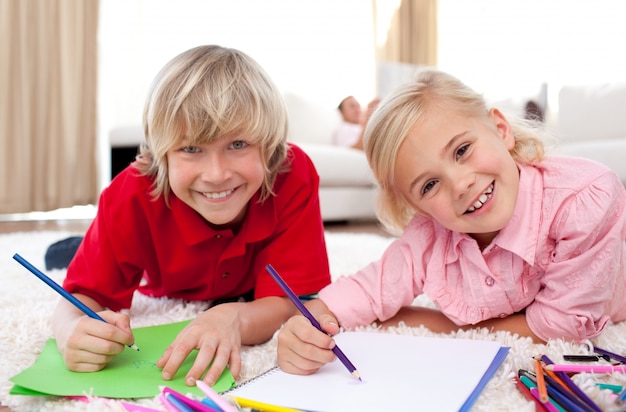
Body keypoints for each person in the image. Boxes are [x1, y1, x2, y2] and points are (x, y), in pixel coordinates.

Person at [277, 68, 626, 376]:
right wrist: (308, 321)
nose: (460, 185)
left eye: (462, 150)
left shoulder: (584, 200)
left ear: (501, 129)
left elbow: (561, 326)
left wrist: (432, 321)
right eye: (429, 185)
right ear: (416, 206)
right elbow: (369, 288)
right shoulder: (430, 236)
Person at [52, 45, 331, 386]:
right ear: (161, 154)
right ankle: (72, 245)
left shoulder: (293, 173)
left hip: (243, 281)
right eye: (191, 149)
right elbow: (78, 300)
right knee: (63, 255)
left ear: (269, 144)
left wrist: (234, 317)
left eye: (238, 144)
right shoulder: (129, 194)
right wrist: (68, 331)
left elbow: (291, 301)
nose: (216, 174)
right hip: (156, 274)